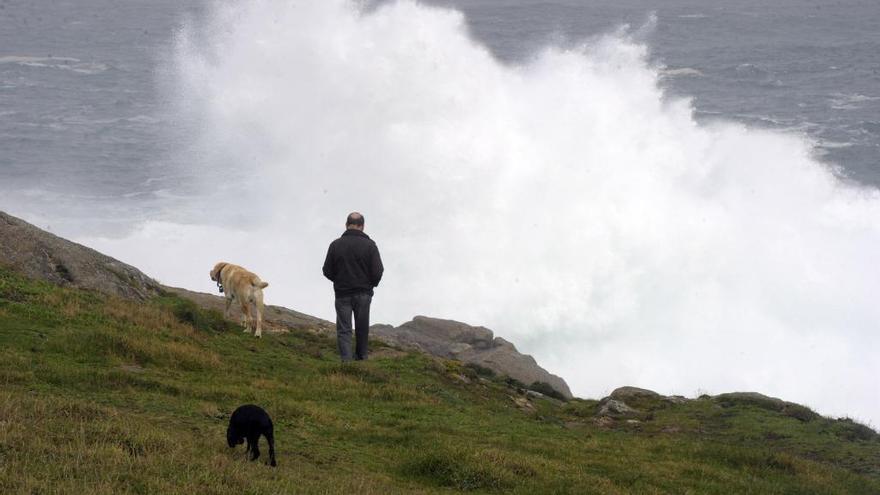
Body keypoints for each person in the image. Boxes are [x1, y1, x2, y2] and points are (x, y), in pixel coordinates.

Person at [322, 212, 384, 362]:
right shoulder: (370, 245)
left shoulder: (335, 245)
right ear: (362, 226)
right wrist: (370, 285)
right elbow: (378, 270)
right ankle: (361, 359)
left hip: (342, 293)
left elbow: (327, 270)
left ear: (346, 225)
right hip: (363, 293)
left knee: (344, 329)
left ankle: (346, 362)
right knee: (362, 328)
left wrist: (339, 280)